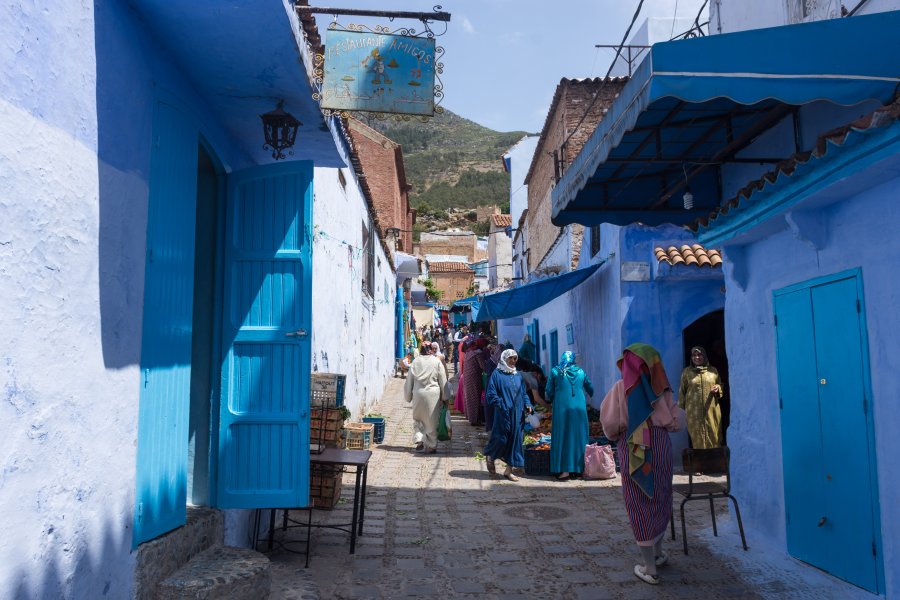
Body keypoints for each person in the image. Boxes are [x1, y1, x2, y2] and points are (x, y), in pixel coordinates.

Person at [600, 343, 682, 586]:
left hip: (635, 444)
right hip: (660, 444)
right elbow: (676, 421)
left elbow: (611, 424)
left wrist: (618, 434)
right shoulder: (662, 390)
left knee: (639, 500)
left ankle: (649, 567)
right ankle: (657, 552)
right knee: (661, 494)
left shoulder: (620, 389)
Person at [483, 349, 534, 481]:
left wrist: (528, 404)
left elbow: (523, 393)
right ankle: (491, 455)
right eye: (510, 358)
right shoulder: (497, 374)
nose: (512, 361)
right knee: (501, 438)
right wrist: (501, 404)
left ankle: (508, 470)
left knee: (516, 440)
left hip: (517, 413)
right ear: (504, 359)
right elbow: (491, 394)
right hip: (503, 413)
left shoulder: (517, 375)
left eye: (515, 358)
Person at [545, 351, 594, 481]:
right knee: (579, 437)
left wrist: (553, 397)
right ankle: (578, 469)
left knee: (563, 436)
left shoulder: (556, 372)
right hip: (579, 409)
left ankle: (564, 471)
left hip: (562, 408)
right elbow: (591, 389)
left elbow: (548, 392)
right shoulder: (581, 372)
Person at [404, 343, 449, 453]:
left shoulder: (415, 362)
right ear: (430, 350)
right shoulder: (436, 361)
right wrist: (445, 397)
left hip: (418, 394)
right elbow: (443, 381)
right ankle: (432, 446)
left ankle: (419, 439)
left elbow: (409, 380)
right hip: (432, 395)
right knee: (432, 421)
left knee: (418, 419)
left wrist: (408, 396)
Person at [678, 346, 725, 449]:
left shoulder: (713, 371)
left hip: (711, 411)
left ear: (704, 356)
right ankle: (701, 462)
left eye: (699, 355)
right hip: (693, 413)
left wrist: (718, 388)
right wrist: (680, 411)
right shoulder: (687, 372)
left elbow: (720, 384)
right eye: (694, 355)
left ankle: (714, 461)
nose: (697, 357)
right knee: (697, 439)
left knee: (714, 436)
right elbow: (682, 392)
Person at [463, 337, 490, 426]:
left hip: (467, 377)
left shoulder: (469, 352)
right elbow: (483, 366)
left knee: (470, 398)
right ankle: (476, 420)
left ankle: (472, 418)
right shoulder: (478, 353)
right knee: (475, 398)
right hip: (474, 378)